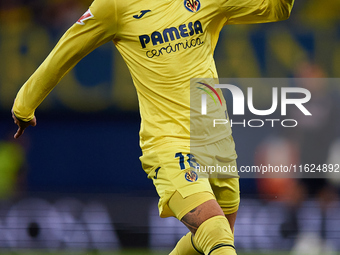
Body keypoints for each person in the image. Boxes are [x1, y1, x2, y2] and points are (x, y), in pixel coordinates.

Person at [12, 0, 294, 254]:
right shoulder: (114, 6)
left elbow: (277, 8)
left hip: (217, 142)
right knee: (214, 228)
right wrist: (24, 104)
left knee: (213, 237)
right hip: (168, 142)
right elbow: (66, 51)